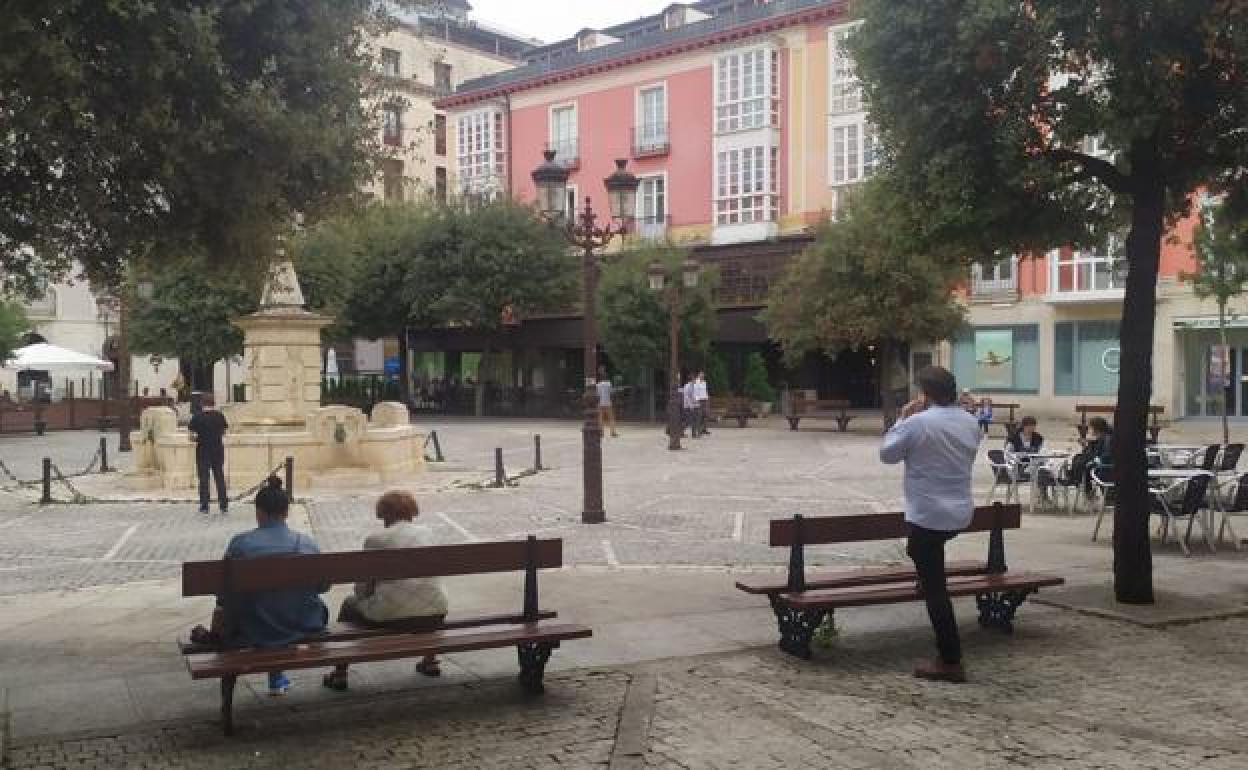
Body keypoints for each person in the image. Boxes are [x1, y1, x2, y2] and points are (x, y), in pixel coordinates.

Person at [879, 366, 981, 683]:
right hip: (960, 512)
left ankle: (950, 660)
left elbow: (887, 454)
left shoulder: (918, 423)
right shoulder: (970, 421)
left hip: (928, 513)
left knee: (935, 587)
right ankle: (927, 580)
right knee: (923, 550)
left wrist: (902, 418)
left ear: (924, 395)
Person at [193, 477, 328, 696]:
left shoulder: (241, 545)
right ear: (287, 512)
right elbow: (322, 587)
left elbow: (224, 593)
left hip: (255, 627)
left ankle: (275, 678)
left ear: (258, 512)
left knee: (259, 606)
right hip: (301, 623)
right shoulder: (307, 544)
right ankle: (276, 677)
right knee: (287, 603)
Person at [323, 491, 449, 691]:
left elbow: (361, 588)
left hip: (391, 617)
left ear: (384, 514)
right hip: (435, 613)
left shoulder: (376, 540)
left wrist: (366, 596)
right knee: (424, 597)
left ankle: (340, 673)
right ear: (411, 511)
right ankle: (430, 661)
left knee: (349, 605)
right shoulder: (429, 533)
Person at [188, 397, 229, 514]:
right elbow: (224, 432)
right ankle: (223, 504)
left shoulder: (197, 417)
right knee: (219, 477)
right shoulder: (220, 416)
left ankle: (205, 505)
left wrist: (198, 438)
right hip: (217, 450)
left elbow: (191, 436)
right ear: (213, 404)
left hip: (202, 450)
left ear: (202, 404)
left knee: (204, 479)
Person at [595, 367, 618, 438]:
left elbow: (597, 395)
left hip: (600, 403)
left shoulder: (597, 385)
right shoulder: (609, 384)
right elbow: (611, 393)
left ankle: (601, 432)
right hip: (608, 403)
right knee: (611, 418)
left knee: (600, 418)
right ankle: (613, 432)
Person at [694, 371, 710, 437]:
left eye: (703, 375)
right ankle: (698, 431)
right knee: (699, 416)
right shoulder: (696, 382)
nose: (702, 376)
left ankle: (704, 429)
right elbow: (695, 392)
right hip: (699, 400)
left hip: (704, 400)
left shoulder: (704, 382)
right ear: (699, 375)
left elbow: (705, 391)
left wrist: (707, 398)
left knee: (705, 415)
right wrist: (697, 400)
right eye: (701, 375)